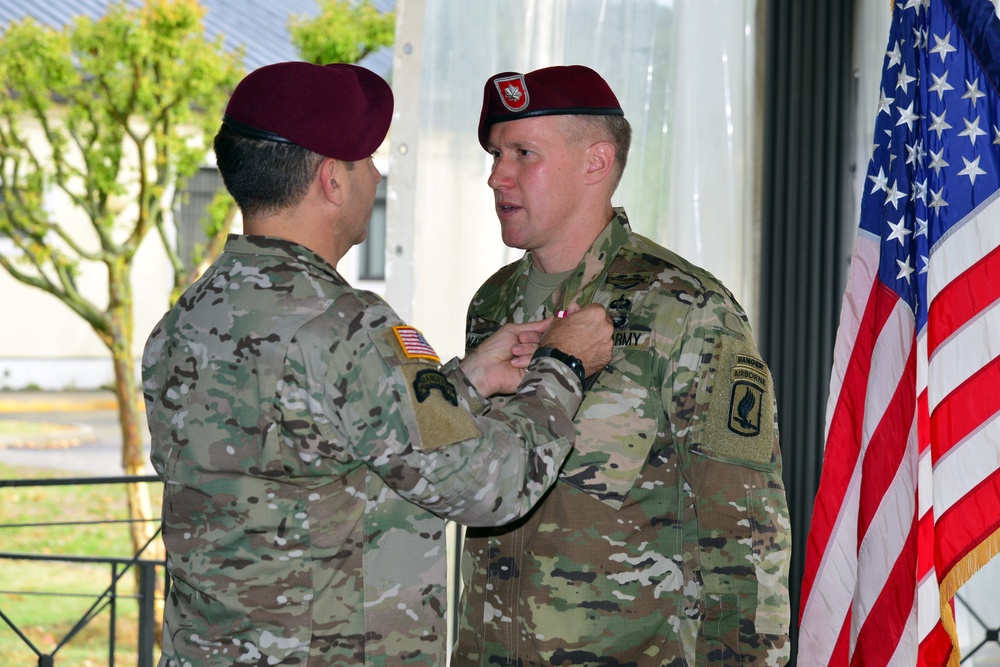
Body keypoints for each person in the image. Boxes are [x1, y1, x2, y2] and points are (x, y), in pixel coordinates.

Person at [141, 61, 614, 667]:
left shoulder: (188, 316)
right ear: (333, 180)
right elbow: (491, 486)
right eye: (366, 163)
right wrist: (563, 366)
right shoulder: (349, 326)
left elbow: (326, 445)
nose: (375, 177)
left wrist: (462, 383)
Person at [453, 65, 791, 666]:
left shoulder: (683, 307)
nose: (496, 175)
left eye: (522, 153)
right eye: (495, 153)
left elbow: (743, 534)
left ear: (596, 162)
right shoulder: (492, 303)